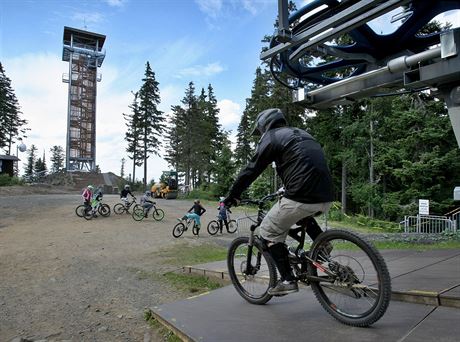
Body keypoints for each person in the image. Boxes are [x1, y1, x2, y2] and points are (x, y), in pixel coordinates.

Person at [224, 108, 334, 296]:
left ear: (265, 125)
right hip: (326, 194)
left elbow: (251, 170)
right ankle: (322, 244)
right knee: (300, 214)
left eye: (260, 130)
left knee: (268, 231)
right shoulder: (302, 134)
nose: (261, 134)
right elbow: (305, 164)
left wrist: (232, 195)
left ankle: (287, 279)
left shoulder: (271, 137)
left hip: (301, 194)